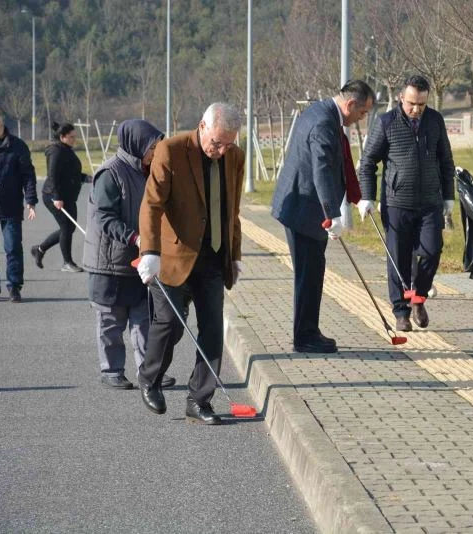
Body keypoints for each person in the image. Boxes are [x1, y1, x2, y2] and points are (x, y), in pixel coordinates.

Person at [136, 103, 245, 425]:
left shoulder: (235, 157)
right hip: (172, 256)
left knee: (212, 329)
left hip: (212, 256)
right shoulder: (171, 151)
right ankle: (150, 377)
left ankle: (199, 401)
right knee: (169, 323)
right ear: (202, 126)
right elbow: (151, 204)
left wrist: (234, 255)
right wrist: (150, 252)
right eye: (216, 143)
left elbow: (232, 212)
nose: (221, 150)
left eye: (228, 144)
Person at [271, 80, 375, 354]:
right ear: (350, 104)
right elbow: (322, 169)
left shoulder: (323, 111)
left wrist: (351, 199)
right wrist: (333, 214)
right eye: (362, 113)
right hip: (304, 210)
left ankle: (308, 331)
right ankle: (305, 337)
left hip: (300, 204)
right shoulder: (324, 124)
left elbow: (333, 165)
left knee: (312, 272)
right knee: (309, 274)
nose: (361, 119)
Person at [83, 119, 176, 390]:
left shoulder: (150, 172)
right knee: (111, 320)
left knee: (143, 319)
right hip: (108, 263)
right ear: (137, 145)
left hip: (140, 260)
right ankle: (111, 370)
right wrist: (135, 237)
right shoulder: (109, 173)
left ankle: (148, 371)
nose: (155, 154)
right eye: (152, 149)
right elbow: (104, 217)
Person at [357, 74, 455, 332]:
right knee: (397, 259)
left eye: (421, 104)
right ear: (401, 98)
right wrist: (367, 197)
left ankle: (418, 297)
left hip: (429, 203)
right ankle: (401, 312)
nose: (416, 109)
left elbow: (446, 161)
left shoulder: (435, 121)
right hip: (397, 203)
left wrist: (448, 197)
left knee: (432, 250)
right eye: (412, 103)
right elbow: (368, 163)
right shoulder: (386, 123)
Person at [0, 106, 37, 303]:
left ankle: (14, 286)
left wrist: (30, 200)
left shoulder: (17, 146)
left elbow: (28, 176)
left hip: (9, 207)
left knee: (12, 248)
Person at [31, 122, 86, 273]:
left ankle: (40, 249)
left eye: (75, 136)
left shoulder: (66, 149)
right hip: (54, 196)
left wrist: (87, 178)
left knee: (69, 228)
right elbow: (53, 175)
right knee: (66, 228)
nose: (74, 139)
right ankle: (67, 263)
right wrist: (56, 197)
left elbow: (69, 172)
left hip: (68, 196)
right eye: (71, 137)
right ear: (62, 137)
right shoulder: (56, 151)